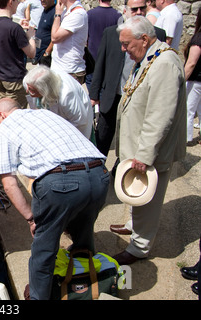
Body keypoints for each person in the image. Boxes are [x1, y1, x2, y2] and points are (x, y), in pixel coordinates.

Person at [0, 97, 109, 300]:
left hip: (62, 181)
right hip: (100, 175)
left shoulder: (4, 128)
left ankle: (38, 297)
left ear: (2, 115)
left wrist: (31, 218)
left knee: (43, 250)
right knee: (83, 226)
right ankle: (83, 277)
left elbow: (9, 183)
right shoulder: (45, 113)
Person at [112, 16, 186, 265]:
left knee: (149, 198)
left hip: (149, 151)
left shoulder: (164, 63)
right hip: (138, 144)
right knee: (137, 194)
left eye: (126, 44)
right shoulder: (148, 55)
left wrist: (144, 154)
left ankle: (139, 247)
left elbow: (160, 116)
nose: (123, 50)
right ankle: (135, 226)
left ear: (144, 39)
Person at [88, 0, 166, 158]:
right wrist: (94, 95)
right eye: (134, 9)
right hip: (112, 95)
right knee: (102, 137)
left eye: (142, 8)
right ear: (125, 11)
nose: (138, 12)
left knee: (131, 139)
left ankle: (123, 171)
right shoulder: (111, 33)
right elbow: (101, 63)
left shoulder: (158, 35)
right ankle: (98, 167)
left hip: (138, 100)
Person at [0, 0, 37, 108]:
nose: (18, 4)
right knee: (15, 113)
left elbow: (4, 30)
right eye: (17, 1)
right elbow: (31, 53)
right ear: (10, 2)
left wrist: (18, 24)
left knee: (2, 110)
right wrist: (31, 36)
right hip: (14, 79)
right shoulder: (15, 28)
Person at [23, 65, 93, 139]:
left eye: (32, 90)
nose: (27, 91)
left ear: (44, 90)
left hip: (74, 126)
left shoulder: (67, 95)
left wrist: (59, 135)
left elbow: (79, 123)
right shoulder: (29, 81)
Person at [86, 0, 122, 89]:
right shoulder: (118, 15)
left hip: (93, 58)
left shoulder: (89, 14)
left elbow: (85, 37)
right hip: (109, 58)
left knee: (92, 85)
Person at [50, 0, 88, 84]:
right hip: (60, 69)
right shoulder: (66, 12)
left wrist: (57, 14)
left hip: (69, 71)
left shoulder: (78, 14)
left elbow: (55, 38)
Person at [184, 8, 201, 145]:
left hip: (196, 81)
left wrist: (180, 80)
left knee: (188, 109)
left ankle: (186, 138)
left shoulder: (198, 38)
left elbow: (191, 63)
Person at [32, 0, 56, 67]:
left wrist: (47, 52)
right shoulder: (45, 11)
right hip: (39, 53)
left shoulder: (55, 12)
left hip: (46, 55)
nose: (42, 0)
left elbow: (56, 36)